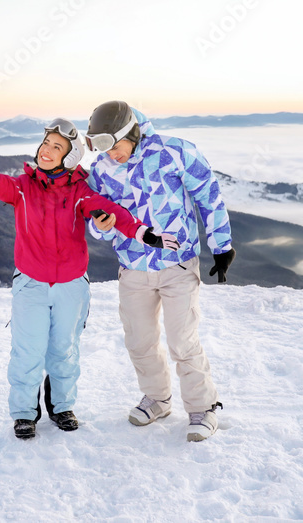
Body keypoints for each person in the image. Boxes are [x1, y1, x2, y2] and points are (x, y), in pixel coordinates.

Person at [0, 118, 179, 440]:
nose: (47, 151)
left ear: (70, 157)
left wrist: (142, 233)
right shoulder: (23, 189)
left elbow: (111, 211)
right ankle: (24, 412)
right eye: (46, 144)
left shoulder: (80, 192)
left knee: (64, 350)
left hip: (71, 287)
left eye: (57, 147)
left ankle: (62, 406)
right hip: (31, 284)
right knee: (28, 350)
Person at [84, 101, 235, 442]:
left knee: (183, 339)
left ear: (131, 133)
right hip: (133, 267)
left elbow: (208, 196)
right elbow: (96, 221)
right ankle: (158, 398)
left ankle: (202, 407)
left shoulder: (175, 152)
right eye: (102, 148)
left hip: (178, 264)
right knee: (140, 340)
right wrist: (104, 226)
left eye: (115, 146)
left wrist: (222, 246)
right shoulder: (102, 169)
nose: (112, 155)